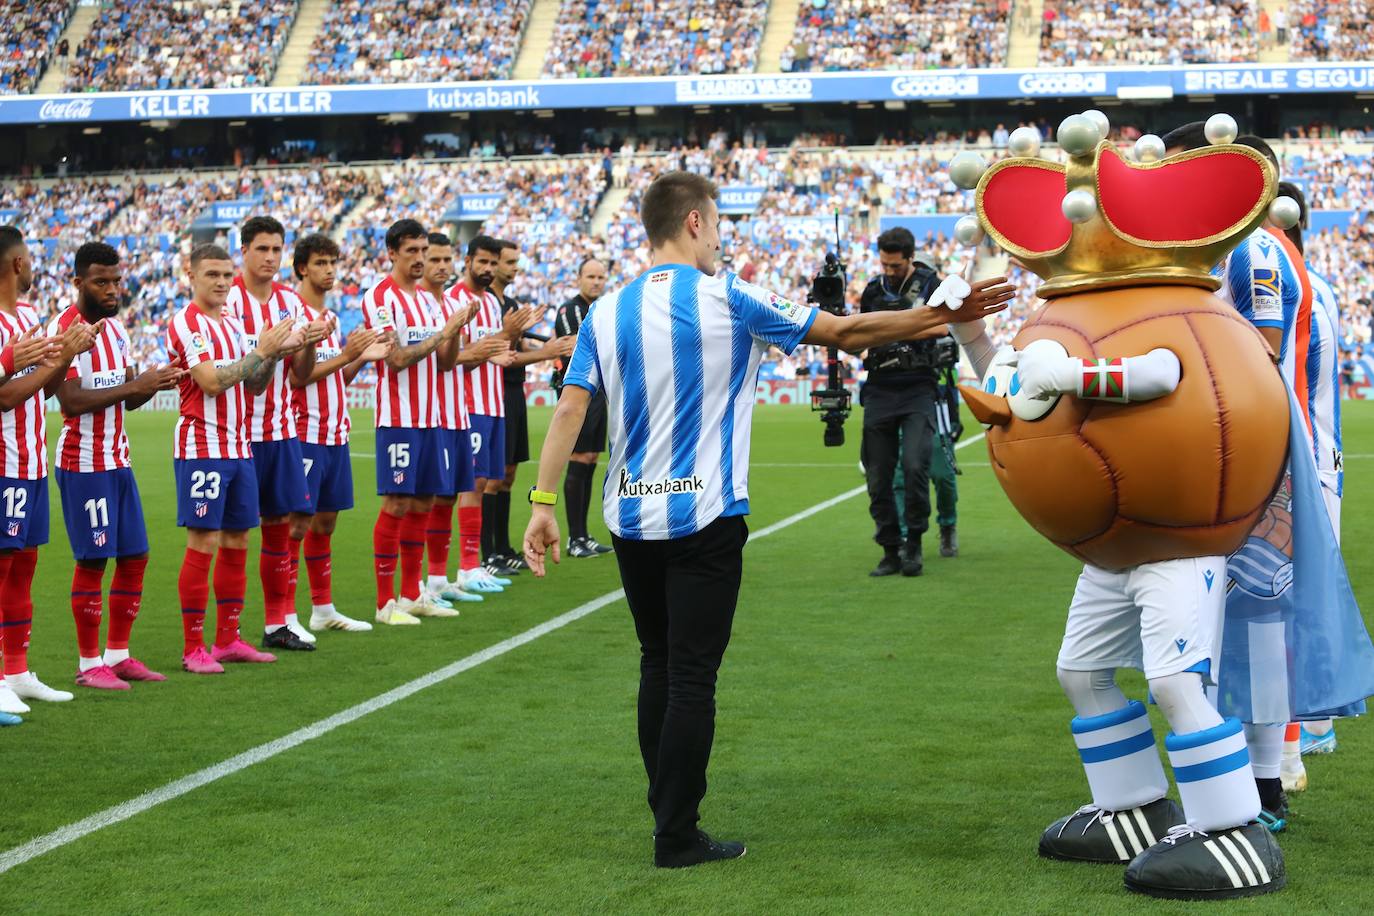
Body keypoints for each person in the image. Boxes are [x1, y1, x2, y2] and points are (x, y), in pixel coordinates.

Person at [522, 171, 1012, 868]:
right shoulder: (728, 295)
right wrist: (942, 317)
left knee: (656, 663)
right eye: (718, 223)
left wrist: (542, 506)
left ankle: (666, 811)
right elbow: (847, 333)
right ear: (695, 222)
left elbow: (571, 408)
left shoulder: (608, 311)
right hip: (706, 513)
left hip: (629, 514)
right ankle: (676, 833)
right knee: (692, 675)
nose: (721, 237)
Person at [51, 242, 183, 690]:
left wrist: (157, 382)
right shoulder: (63, 331)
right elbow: (69, 401)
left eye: (116, 281)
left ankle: (119, 655)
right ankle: (90, 665)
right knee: (94, 561)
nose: (111, 290)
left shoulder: (118, 331)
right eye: (100, 281)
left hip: (118, 461)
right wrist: (136, 385)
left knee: (135, 557)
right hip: (83, 463)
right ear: (77, 283)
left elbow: (128, 397)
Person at [168, 243, 300, 674]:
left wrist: (273, 350)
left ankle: (227, 639)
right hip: (202, 446)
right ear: (191, 276)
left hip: (239, 446)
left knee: (238, 541)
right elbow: (209, 382)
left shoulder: (231, 323)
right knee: (203, 542)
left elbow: (255, 384)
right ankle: (193, 648)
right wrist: (260, 353)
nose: (223, 283)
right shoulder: (187, 323)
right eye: (212, 275)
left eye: (227, 275)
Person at [0, 225, 98, 714]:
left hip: (32, 462)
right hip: (4, 462)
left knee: (24, 568)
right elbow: (4, 396)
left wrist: (68, 353)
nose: (35, 266)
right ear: (17, 264)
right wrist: (48, 363)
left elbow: (40, 388)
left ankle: (16, 672)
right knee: (2, 570)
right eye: (30, 258)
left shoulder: (30, 317)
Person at [224, 216, 332, 652]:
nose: (270, 258)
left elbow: (301, 374)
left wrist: (306, 343)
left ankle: (276, 624)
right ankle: (223, 633)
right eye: (261, 249)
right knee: (233, 536)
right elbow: (247, 378)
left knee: (280, 526)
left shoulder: (289, 302)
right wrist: (269, 350)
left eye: (276, 250)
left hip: (282, 430)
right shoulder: (229, 300)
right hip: (237, 435)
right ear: (244, 251)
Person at [360, 220, 470, 626]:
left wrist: (453, 331)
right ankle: (384, 602)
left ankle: (411, 593)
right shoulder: (380, 298)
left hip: (433, 417)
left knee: (424, 501)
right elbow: (396, 358)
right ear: (391, 253)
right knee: (397, 502)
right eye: (412, 251)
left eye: (424, 250)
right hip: (399, 418)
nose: (421, 259)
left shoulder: (427, 300)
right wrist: (443, 331)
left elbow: (444, 361)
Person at [289, 232, 389, 633]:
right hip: (303, 431)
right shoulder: (294, 314)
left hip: (334, 432)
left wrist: (360, 359)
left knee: (326, 523)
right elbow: (299, 379)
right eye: (320, 263)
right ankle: (285, 615)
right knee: (296, 524)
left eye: (333, 263)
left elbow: (332, 377)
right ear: (302, 268)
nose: (329, 270)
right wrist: (350, 354)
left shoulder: (329, 318)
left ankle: (323, 609)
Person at [858, 228, 946, 577]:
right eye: (884, 264)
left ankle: (915, 544)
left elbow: (941, 328)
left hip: (918, 387)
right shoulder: (872, 291)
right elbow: (860, 333)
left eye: (895, 265)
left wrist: (886, 329)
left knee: (914, 466)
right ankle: (889, 548)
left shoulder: (930, 284)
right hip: (879, 387)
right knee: (877, 476)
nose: (889, 271)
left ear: (910, 258)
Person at [453, 235, 539, 589]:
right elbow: (455, 357)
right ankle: (468, 566)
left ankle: (475, 565)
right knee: (471, 485)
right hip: (469, 404)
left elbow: (497, 350)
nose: (488, 269)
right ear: (469, 260)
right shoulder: (455, 300)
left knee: (488, 481)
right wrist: (504, 337)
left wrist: (508, 343)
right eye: (483, 262)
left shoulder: (490, 302)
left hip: (494, 404)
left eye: (493, 263)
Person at [489, 239, 573, 572]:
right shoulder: (483, 304)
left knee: (508, 474)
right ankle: (488, 553)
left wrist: (546, 345)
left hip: (513, 390)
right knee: (491, 478)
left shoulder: (511, 303)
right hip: (490, 393)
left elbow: (519, 345)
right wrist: (548, 351)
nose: (514, 269)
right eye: (509, 262)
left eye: (516, 263)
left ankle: (503, 547)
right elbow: (497, 351)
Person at [418, 232, 481, 609]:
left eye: (447, 259)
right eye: (434, 259)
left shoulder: (452, 304)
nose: (442, 266)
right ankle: (421, 583)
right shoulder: (422, 304)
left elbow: (450, 358)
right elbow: (443, 358)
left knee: (448, 498)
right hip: (430, 414)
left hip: (457, 412)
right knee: (428, 500)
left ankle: (439, 579)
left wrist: (456, 332)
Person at [553, 257, 613, 558]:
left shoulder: (599, 308)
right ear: (578, 277)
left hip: (598, 393)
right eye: (590, 276)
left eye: (600, 277)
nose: (596, 282)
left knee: (589, 459)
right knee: (578, 458)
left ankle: (583, 535)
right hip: (577, 392)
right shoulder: (570, 309)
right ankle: (574, 538)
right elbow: (576, 344)